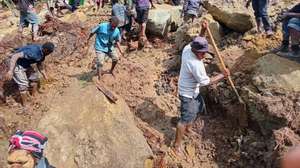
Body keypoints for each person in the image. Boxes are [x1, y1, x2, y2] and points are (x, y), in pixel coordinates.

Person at [174, 21, 229, 154]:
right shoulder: (195, 64)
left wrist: (203, 30)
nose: (204, 55)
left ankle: (188, 129)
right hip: (187, 93)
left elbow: (199, 40)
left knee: (198, 108)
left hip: (193, 90)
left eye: (205, 52)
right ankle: (177, 145)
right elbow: (206, 82)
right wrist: (223, 75)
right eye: (202, 53)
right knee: (184, 119)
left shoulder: (188, 48)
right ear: (195, 51)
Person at [5, 42, 55, 106]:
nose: (49, 54)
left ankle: (33, 96)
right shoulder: (33, 51)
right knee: (23, 85)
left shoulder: (42, 54)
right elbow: (15, 56)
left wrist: (45, 76)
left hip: (26, 64)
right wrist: (10, 71)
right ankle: (25, 105)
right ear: (46, 50)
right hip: (16, 64)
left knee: (35, 78)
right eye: (49, 53)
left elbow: (39, 64)